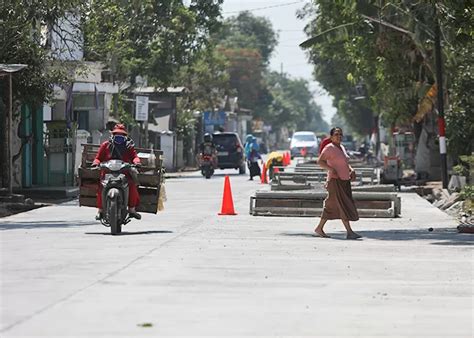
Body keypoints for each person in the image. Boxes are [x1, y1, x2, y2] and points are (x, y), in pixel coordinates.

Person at [314, 127, 361, 239]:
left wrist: (351, 169)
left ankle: (319, 228)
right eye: (336, 134)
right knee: (342, 205)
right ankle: (349, 232)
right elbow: (320, 161)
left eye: (340, 134)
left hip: (344, 181)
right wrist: (331, 169)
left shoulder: (342, 147)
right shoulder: (329, 148)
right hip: (335, 181)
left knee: (333, 206)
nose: (339, 136)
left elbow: (344, 162)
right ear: (331, 136)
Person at [92, 124, 142, 220]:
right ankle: (100, 210)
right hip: (107, 173)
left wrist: (137, 162)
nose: (119, 137)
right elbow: (98, 158)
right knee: (101, 187)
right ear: (112, 135)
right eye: (116, 135)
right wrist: (96, 163)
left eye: (121, 135)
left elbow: (134, 157)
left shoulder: (129, 146)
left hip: (125, 173)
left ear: (125, 136)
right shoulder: (105, 145)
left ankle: (132, 209)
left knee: (132, 185)